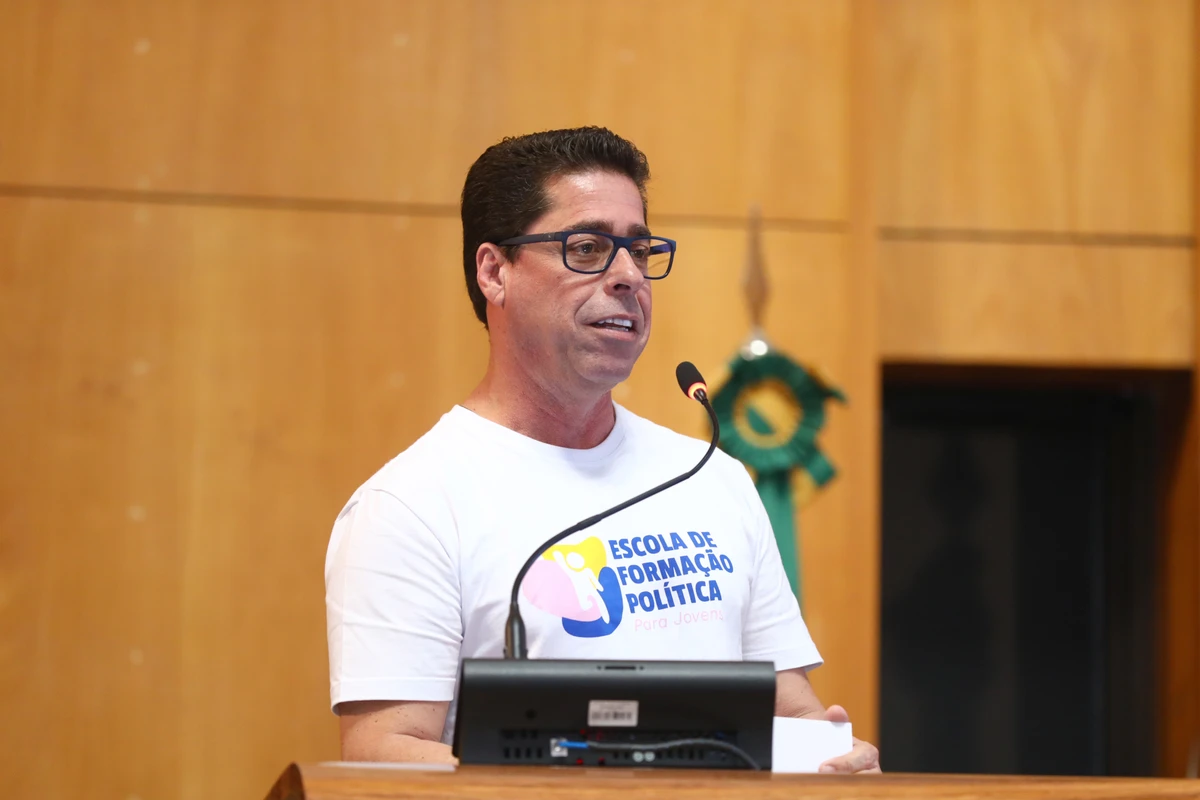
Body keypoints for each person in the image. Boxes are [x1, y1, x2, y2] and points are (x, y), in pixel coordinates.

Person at [324, 127, 880, 773]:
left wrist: (831, 756)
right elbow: (383, 752)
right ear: (494, 271)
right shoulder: (411, 506)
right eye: (587, 248)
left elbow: (791, 709)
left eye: (639, 251)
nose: (627, 277)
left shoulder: (711, 479)